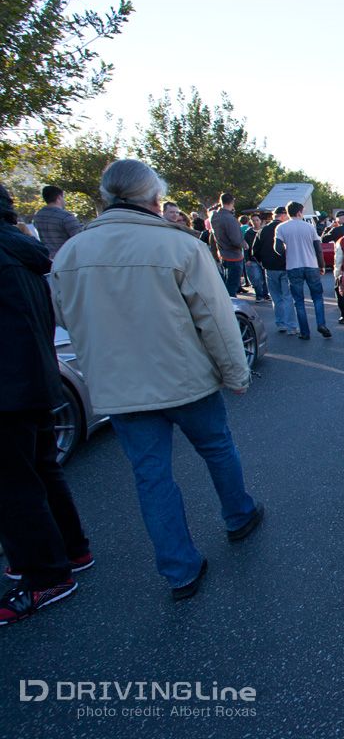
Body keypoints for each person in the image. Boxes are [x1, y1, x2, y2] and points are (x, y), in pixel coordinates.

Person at [49, 160, 263, 600]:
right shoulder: (178, 246)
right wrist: (235, 373)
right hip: (185, 378)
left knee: (151, 477)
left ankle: (180, 569)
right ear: (153, 197)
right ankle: (239, 515)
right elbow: (216, 319)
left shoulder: (71, 252)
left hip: (121, 386)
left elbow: (65, 317)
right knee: (217, 448)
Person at [0, 183, 92, 625]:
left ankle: (46, 574)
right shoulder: (23, 253)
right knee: (41, 470)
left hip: (11, 387)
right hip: (34, 377)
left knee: (15, 486)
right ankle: (70, 550)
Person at [276, 201, 330, 339]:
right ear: (299, 212)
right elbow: (318, 248)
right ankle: (321, 324)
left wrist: (287, 250)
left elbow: (278, 249)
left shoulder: (281, 228)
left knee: (299, 301)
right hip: (311, 265)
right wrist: (321, 265)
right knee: (317, 297)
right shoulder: (309, 227)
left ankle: (305, 332)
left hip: (293, 266)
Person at [252, 206, 299, 335]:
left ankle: (281, 323)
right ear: (283, 215)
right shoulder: (286, 229)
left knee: (276, 297)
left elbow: (254, 251)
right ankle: (291, 326)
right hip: (286, 266)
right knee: (288, 297)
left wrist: (263, 262)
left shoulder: (263, 230)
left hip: (270, 268)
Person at [32, 185, 84, 259]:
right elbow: (80, 239)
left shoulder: (37, 216)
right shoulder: (65, 216)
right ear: (59, 197)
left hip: (49, 258)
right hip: (68, 258)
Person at [211, 192, 246, 297]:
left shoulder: (214, 217)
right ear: (232, 202)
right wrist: (244, 245)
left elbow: (212, 236)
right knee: (232, 287)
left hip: (222, 254)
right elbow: (236, 240)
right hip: (233, 256)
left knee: (227, 284)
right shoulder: (229, 219)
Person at [322, 211, 344, 324]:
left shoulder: (336, 230)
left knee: (339, 288)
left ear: (337, 220)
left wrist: (329, 227)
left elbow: (323, 239)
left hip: (341, 261)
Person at [242, 213, 268, 301]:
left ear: (260, 221)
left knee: (265, 278)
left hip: (264, 259)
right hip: (253, 259)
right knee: (256, 278)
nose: (255, 222)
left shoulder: (264, 231)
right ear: (250, 222)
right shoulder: (248, 233)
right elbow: (245, 247)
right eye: (253, 220)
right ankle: (259, 295)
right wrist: (247, 259)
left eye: (257, 220)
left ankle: (265, 294)